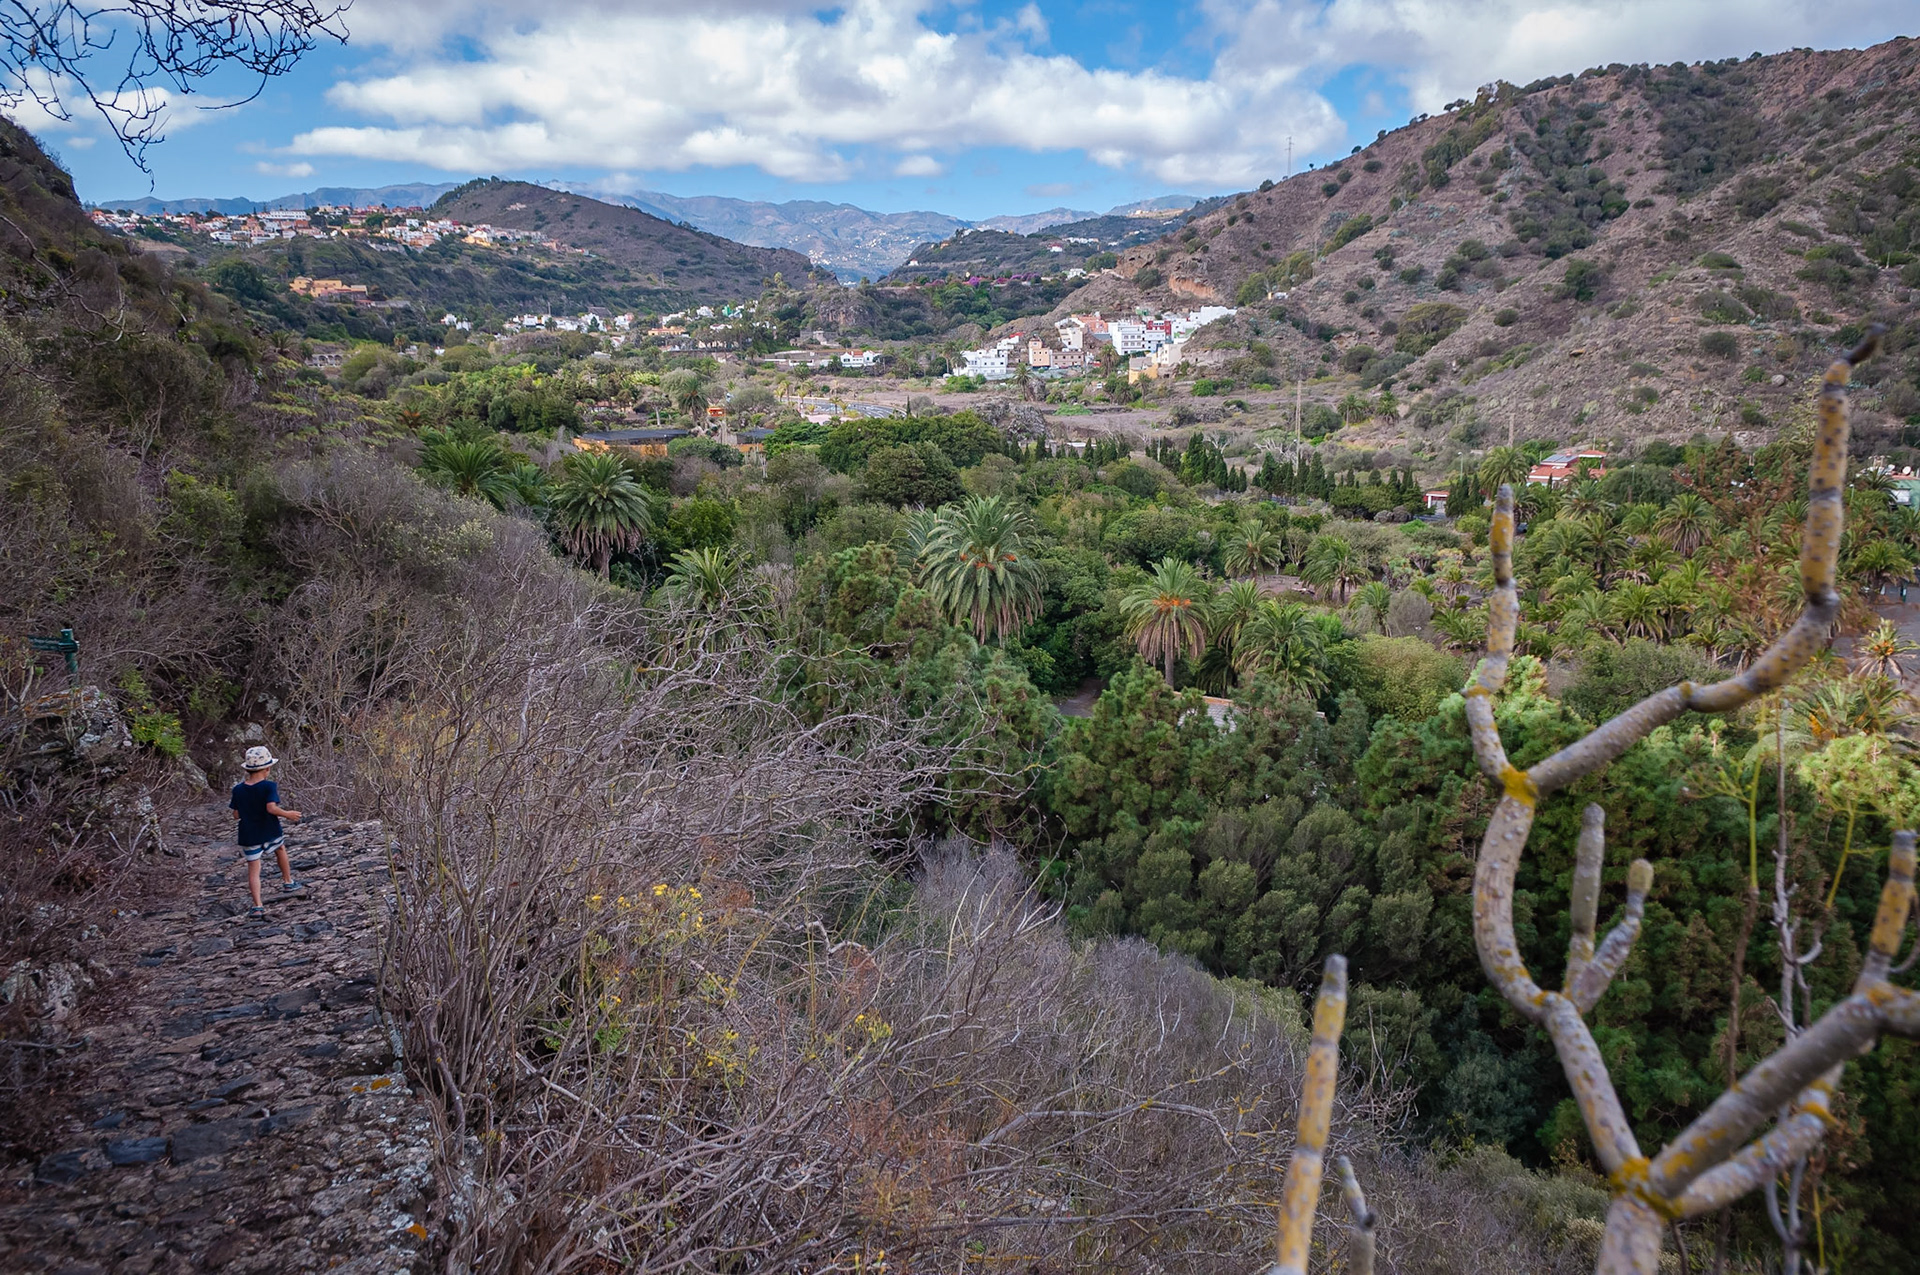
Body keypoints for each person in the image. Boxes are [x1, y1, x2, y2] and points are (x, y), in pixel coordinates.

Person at [229, 746, 306, 918]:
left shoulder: (238, 790)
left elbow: (235, 814)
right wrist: (288, 814)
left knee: (253, 869)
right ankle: (288, 881)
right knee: (280, 850)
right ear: (267, 769)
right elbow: (271, 808)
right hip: (269, 829)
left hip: (249, 834)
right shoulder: (269, 786)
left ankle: (257, 905)